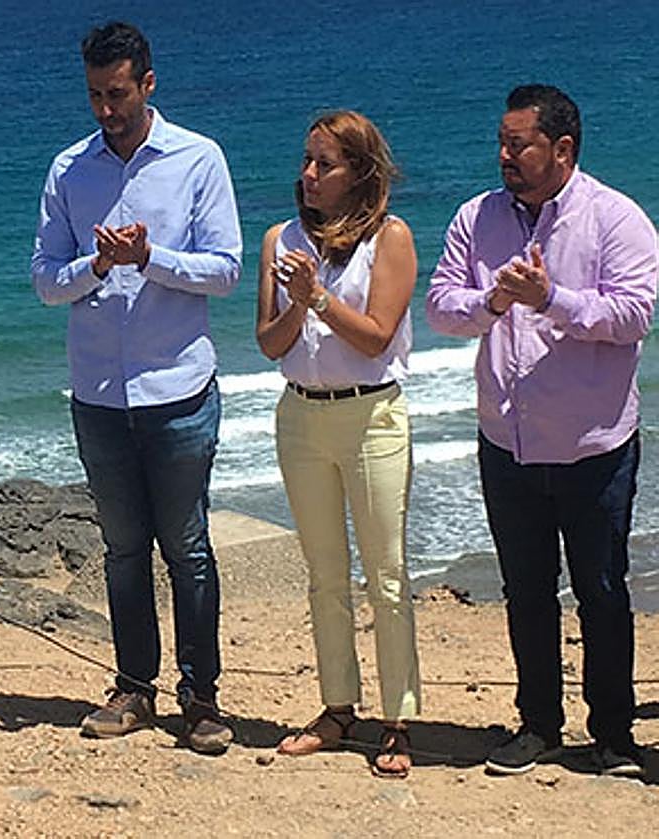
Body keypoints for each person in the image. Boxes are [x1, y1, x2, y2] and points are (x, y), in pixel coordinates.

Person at [426, 85, 658, 778]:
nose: (504, 156)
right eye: (501, 143)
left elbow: (634, 315)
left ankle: (612, 734)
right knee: (525, 590)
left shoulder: (615, 218)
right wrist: (495, 299)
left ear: (561, 148)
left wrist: (551, 298)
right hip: (508, 443)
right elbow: (441, 308)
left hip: (593, 446)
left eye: (518, 145)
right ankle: (539, 726)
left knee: (603, 591)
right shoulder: (476, 217)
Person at [31, 20, 242, 755]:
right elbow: (44, 280)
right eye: (95, 94)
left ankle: (202, 696)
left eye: (117, 94)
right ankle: (134, 687)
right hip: (98, 393)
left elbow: (225, 269)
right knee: (123, 550)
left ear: (147, 84)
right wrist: (94, 266)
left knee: (187, 548)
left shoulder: (197, 158)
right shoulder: (69, 170)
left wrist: (151, 259)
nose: (106, 109)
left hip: (178, 388)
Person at [255, 110, 421, 777]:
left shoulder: (390, 237)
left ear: (360, 171)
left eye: (324, 164)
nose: (309, 174)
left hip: (370, 416)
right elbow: (269, 342)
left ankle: (398, 720)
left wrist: (318, 297)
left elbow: (377, 336)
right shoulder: (281, 238)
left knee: (387, 574)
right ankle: (337, 707)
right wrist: (298, 302)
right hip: (302, 416)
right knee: (324, 574)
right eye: (306, 160)